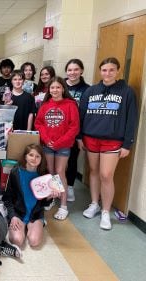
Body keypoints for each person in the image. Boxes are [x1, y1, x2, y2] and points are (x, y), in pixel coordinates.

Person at [78, 57, 138, 230]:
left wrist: (127, 144)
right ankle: (94, 203)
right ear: (100, 71)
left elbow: (131, 119)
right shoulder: (91, 91)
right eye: (104, 70)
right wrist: (80, 137)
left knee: (106, 175)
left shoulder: (126, 92)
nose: (107, 73)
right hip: (91, 137)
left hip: (113, 140)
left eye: (111, 70)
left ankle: (105, 211)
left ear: (117, 71)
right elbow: (82, 115)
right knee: (94, 172)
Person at [34, 77, 80, 221]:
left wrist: (60, 142)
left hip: (63, 145)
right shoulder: (45, 104)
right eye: (52, 88)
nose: (55, 90)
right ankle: (53, 197)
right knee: (51, 172)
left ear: (63, 89)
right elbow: (39, 123)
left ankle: (64, 206)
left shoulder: (70, 105)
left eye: (58, 87)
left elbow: (74, 127)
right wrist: (47, 140)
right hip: (48, 144)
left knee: (60, 173)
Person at [3, 144, 59, 248]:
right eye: (31, 155)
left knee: (34, 242)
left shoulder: (45, 175)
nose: (34, 158)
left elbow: (44, 203)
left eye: (38, 156)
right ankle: (19, 225)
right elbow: (7, 198)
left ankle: (36, 225)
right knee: (17, 240)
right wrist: (13, 216)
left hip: (35, 214)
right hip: (18, 213)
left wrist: (51, 197)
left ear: (41, 159)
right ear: (25, 156)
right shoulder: (15, 172)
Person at [64, 59, 90, 202]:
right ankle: (55, 189)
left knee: (72, 159)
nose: (72, 72)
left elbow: (86, 113)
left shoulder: (87, 89)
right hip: (58, 129)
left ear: (81, 71)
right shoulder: (60, 85)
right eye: (70, 70)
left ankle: (69, 187)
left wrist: (80, 136)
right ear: (66, 71)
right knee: (55, 161)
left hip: (76, 132)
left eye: (76, 69)